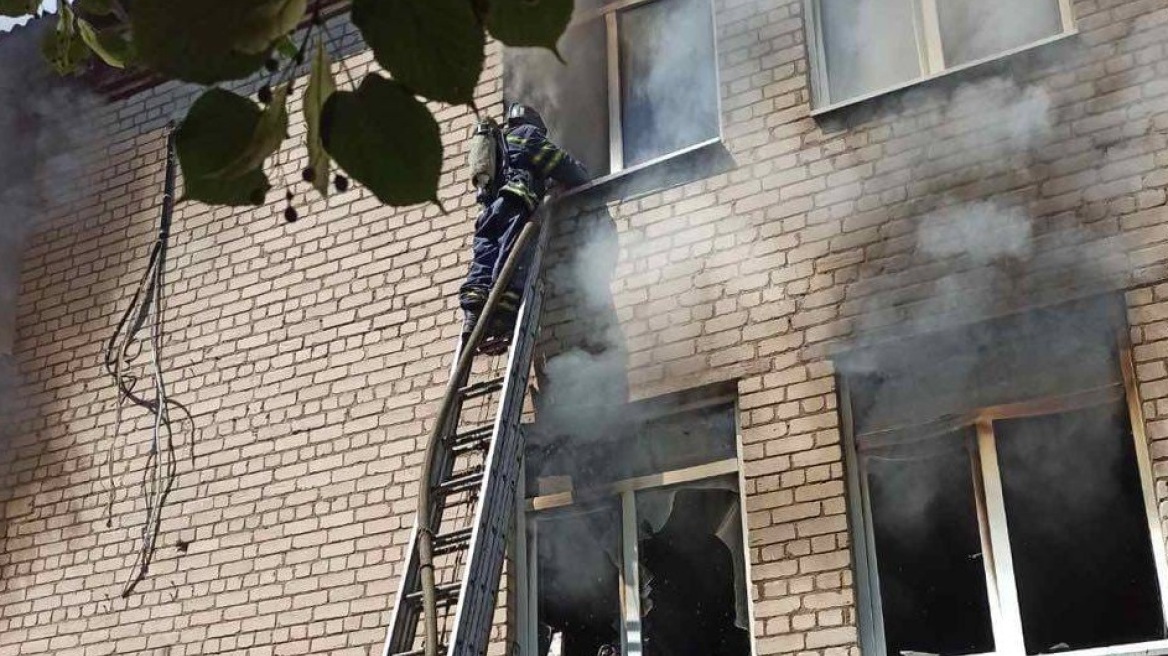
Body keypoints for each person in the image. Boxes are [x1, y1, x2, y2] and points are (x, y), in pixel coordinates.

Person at [460, 103, 589, 353]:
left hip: (487, 213)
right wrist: (582, 175)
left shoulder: (496, 142)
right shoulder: (527, 135)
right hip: (515, 203)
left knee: (484, 258)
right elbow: (558, 162)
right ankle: (503, 317)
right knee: (514, 257)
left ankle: (473, 314)